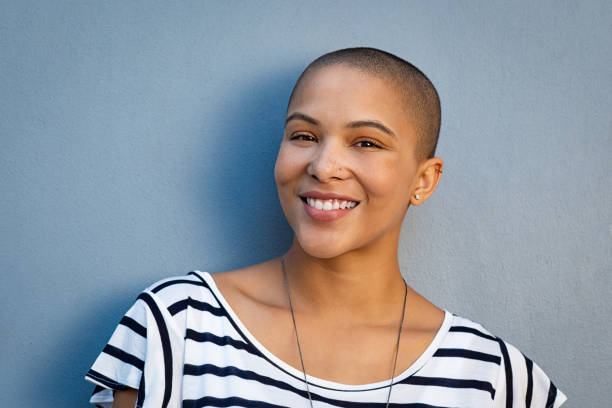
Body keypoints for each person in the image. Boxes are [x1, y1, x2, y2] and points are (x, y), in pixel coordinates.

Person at [85, 47, 566, 408]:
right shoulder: (177, 325)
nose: (324, 164)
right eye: (304, 136)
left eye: (366, 143)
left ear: (424, 180)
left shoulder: (492, 377)